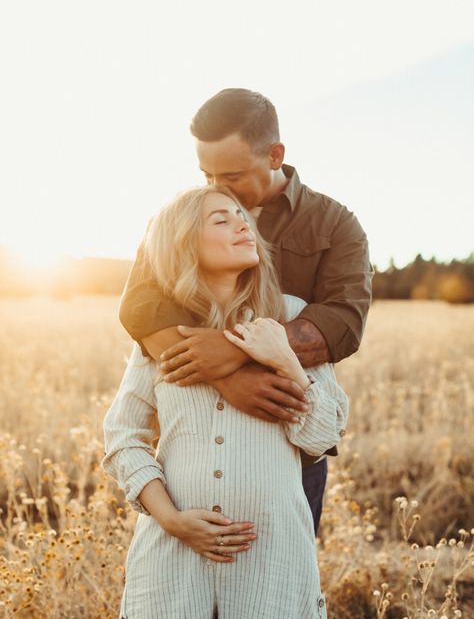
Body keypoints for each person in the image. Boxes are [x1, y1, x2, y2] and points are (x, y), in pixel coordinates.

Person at [119, 88, 373, 533]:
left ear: (275, 155)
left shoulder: (335, 224)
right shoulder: (179, 217)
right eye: (207, 174)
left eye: (232, 175)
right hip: (190, 443)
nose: (217, 188)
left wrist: (234, 349)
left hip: (286, 436)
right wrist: (226, 378)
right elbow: (141, 306)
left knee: (278, 576)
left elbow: (343, 323)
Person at [102, 186, 348, 618]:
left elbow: (324, 436)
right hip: (172, 565)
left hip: (273, 565)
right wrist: (172, 520)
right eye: (221, 219)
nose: (242, 223)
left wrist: (285, 359)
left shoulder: (291, 316)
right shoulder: (162, 332)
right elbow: (123, 436)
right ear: (183, 243)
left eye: (241, 216)